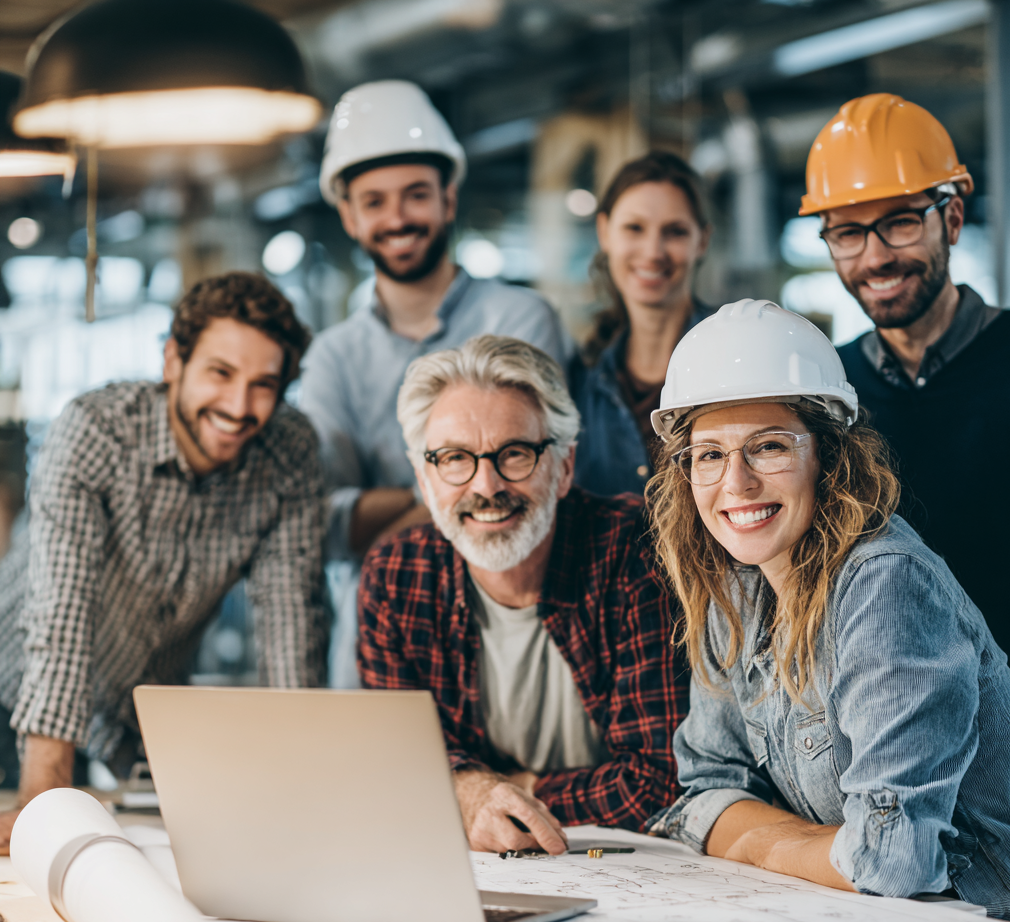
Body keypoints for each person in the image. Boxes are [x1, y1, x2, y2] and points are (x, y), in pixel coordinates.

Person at [644, 299, 1010, 922]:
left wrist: (758, 841)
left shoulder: (885, 585)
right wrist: (824, 850)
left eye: (767, 447)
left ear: (829, 456)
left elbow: (893, 864)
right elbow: (706, 790)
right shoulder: (732, 585)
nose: (735, 484)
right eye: (709, 454)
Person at [0, 272, 329, 851]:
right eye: (220, 373)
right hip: (20, 692)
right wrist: (40, 803)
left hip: (139, 711)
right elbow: (61, 612)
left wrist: (305, 793)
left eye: (264, 385)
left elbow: (290, 619)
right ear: (173, 359)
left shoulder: (289, 452)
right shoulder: (97, 429)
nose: (238, 407)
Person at [359, 334, 688, 854]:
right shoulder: (396, 576)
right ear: (424, 480)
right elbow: (402, 764)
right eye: (454, 459)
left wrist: (513, 791)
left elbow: (660, 781)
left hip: (635, 863)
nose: (486, 486)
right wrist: (472, 788)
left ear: (563, 468)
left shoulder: (636, 552)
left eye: (515, 454)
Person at [302, 80, 571, 688]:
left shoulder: (522, 320)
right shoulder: (332, 357)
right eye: (374, 200)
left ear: (449, 199)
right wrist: (462, 488)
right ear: (349, 215)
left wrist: (394, 501)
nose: (396, 217)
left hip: (515, 637)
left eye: (415, 195)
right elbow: (319, 522)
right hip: (372, 649)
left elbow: (540, 484)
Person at [801, 92, 1010, 681]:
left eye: (899, 221)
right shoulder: (827, 393)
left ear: (951, 220)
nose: (875, 256)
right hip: (892, 725)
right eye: (847, 232)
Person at [570, 151, 714, 497]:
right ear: (604, 232)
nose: (653, 251)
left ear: (702, 241)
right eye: (634, 228)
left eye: (675, 231)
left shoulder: (740, 353)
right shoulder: (578, 381)